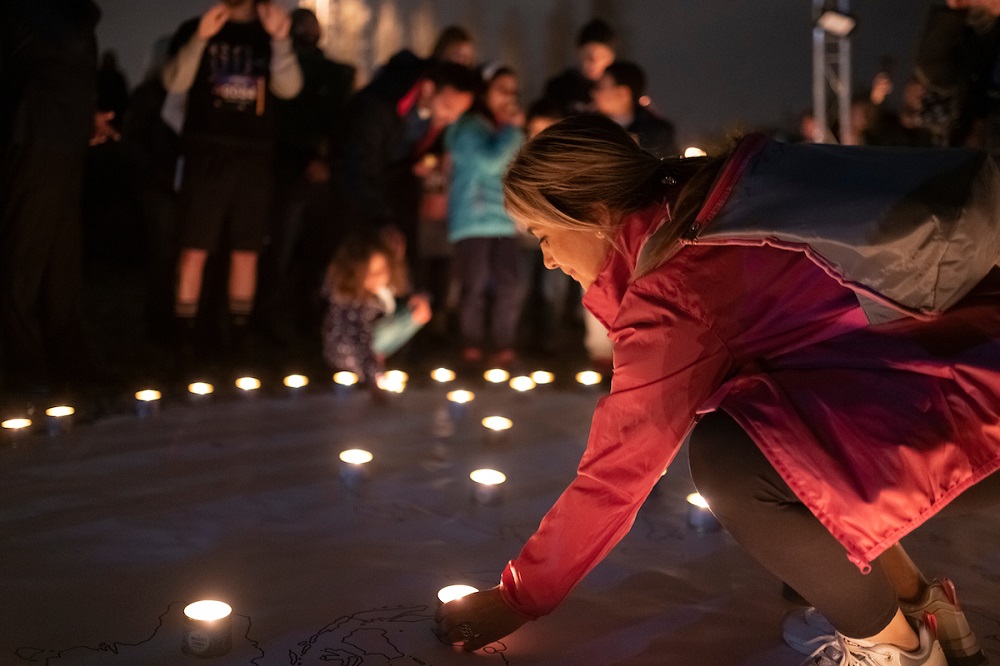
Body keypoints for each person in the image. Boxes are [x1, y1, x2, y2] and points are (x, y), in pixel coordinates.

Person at [435, 114, 1000, 666]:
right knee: (766, 423)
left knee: (733, 462)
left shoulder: (676, 284)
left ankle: (896, 651)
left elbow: (615, 475)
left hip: (968, 394)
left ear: (594, 214)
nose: (548, 258)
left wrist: (518, 598)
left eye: (543, 235)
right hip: (962, 361)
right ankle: (921, 612)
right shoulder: (711, 202)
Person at [162, 0, 302, 360]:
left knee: (247, 251)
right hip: (206, 153)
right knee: (193, 249)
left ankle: (239, 337)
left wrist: (281, 40)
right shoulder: (200, 26)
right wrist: (200, 38)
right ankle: (183, 337)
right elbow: (174, 81)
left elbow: (290, 89)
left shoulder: (270, 33)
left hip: (254, 156)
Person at [0, 0, 115, 402]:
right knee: (26, 254)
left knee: (62, 256)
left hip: (64, 138)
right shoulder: (41, 9)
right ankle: (24, 361)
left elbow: (65, 64)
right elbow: (65, 37)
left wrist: (87, 117)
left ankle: (67, 354)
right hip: (37, 137)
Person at [257, 7, 355, 347]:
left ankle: (307, 319)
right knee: (282, 250)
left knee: (313, 251)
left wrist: (324, 157)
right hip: (287, 170)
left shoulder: (333, 74)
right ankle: (275, 320)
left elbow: (338, 122)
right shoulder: (282, 68)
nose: (306, 33)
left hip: (313, 171)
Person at [338, 51, 478, 277]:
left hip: (394, 193)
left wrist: (422, 163)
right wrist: (381, 221)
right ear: (428, 89)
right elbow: (359, 166)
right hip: (355, 198)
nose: (451, 119)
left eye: (458, 113)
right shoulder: (378, 105)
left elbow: (431, 150)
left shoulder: (436, 121)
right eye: (447, 108)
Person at [445, 64, 526, 369]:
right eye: (501, 89)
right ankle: (471, 347)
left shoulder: (502, 129)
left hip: (504, 220)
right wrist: (514, 130)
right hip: (474, 219)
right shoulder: (469, 128)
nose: (509, 96)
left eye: (513, 91)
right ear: (485, 91)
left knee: (510, 285)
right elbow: (490, 163)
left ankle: (504, 346)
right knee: (474, 286)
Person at [321, 233, 431, 389]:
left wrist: (420, 297)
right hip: (347, 352)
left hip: (370, 342)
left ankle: (378, 359)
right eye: (372, 274)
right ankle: (370, 365)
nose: (379, 278)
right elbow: (357, 341)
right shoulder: (350, 301)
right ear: (354, 273)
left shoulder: (383, 284)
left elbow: (407, 288)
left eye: (383, 270)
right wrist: (375, 376)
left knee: (416, 312)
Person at [592, 60, 678, 158]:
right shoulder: (590, 128)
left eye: (600, 87)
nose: (594, 92)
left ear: (623, 93)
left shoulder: (657, 134)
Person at [543, 18, 617, 117]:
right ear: (578, 53)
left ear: (611, 58)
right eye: (588, 55)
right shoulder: (559, 87)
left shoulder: (618, 91)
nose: (594, 62)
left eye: (601, 56)